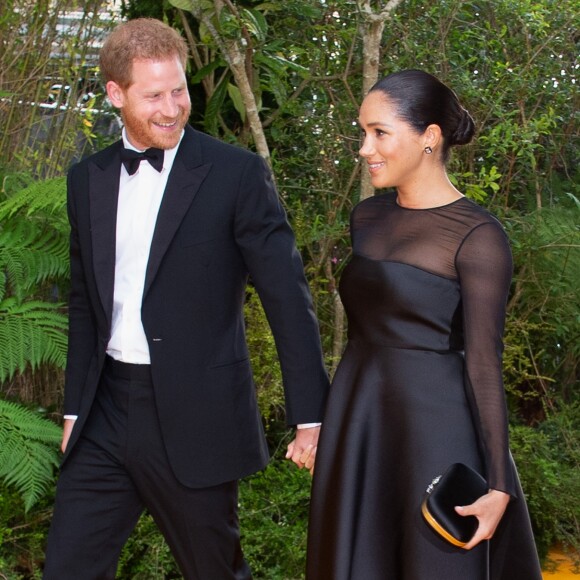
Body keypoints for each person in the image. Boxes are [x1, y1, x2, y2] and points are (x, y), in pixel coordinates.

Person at [43, 18, 329, 580]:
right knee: (67, 568)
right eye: (154, 95)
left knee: (214, 570)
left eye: (179, 90)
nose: (172, 107)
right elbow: (84, 304)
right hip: (103, 411)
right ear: (116, 94)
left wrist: (311, 413)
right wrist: (75, 407)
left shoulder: (236, 174)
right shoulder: (87, 179)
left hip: (194, 414)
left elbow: (287, 297)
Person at [306, 70, 542, 579]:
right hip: (362, 420)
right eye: (362, 131)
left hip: (437, 434)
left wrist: (499, 486)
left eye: (379, 132)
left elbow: (483, 363)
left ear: (429, 137)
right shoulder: (366, 218)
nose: (364, 147)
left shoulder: (478, 237)